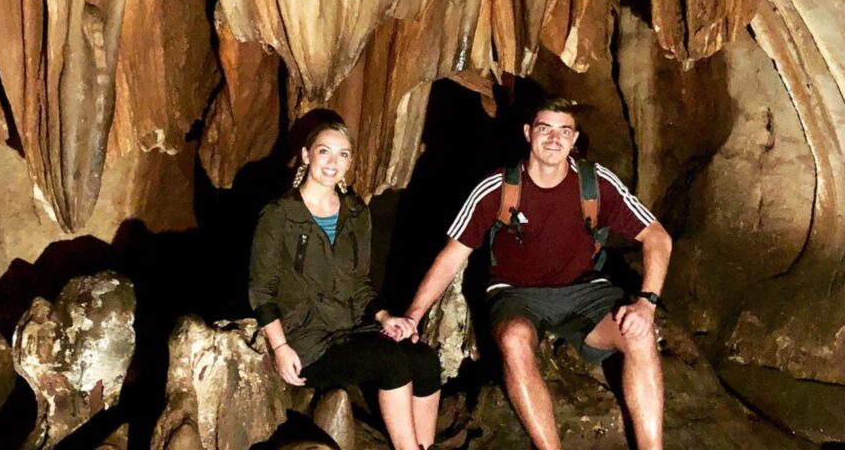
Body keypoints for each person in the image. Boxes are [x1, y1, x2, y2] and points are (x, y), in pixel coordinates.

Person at [404, 97, 672, 450]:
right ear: (529, 133)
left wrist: (647, 303)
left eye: (564, 131)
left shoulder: (594, 182)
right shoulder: (498, 187)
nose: (554, 139)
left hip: (584, 290)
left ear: (574, 140)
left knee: (639, 334)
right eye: (545, 129)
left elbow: (657, 237)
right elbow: (453, 255)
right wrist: (413, 316)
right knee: (514, 338)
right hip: (515, 294)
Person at [249, 119, 441, 450]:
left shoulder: (355, 212)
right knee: (390, 361)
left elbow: (359, 283)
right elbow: (261, 288)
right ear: (307, 155)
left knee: (423, 358)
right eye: (324, 152)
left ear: (350, 163)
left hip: (349, 329)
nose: (332, 162)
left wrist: (385, 318)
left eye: (342, 155)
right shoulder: (279, 214)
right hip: (305, 341)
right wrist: (280, 348)